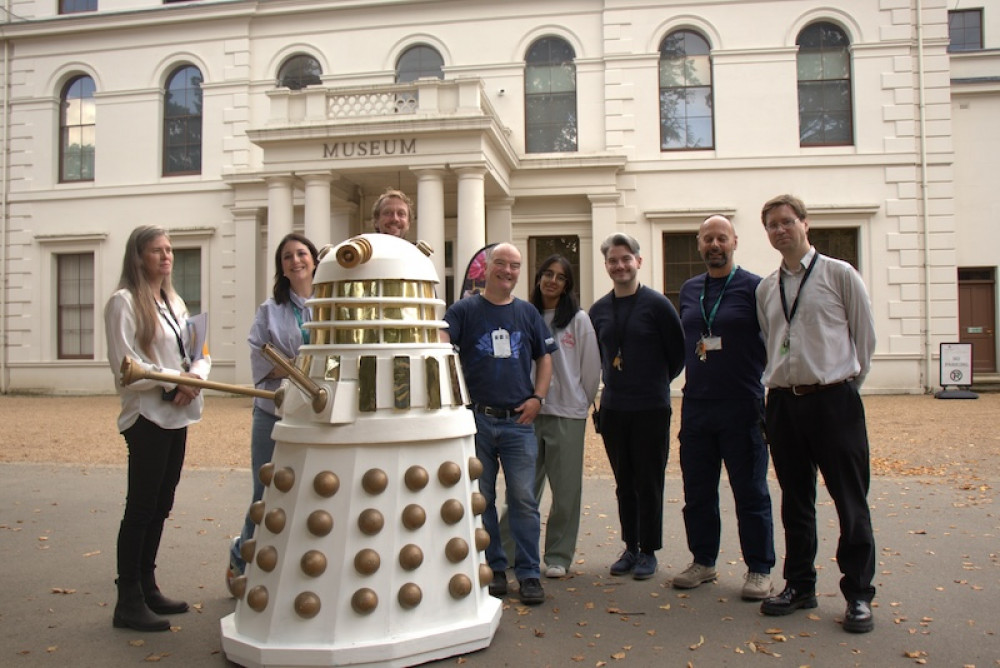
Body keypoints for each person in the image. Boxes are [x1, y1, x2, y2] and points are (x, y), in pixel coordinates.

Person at [755, 194, 877, 634]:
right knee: (796, 501)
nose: (780, 230)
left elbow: (864, 340)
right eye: (772, 225)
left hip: (833, 401)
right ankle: (799, 585)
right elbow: (772, 340)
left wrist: (841, 389)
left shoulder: (839, 275)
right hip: (785, 403)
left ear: (806, 224)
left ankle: (859, 595)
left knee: (850, 500)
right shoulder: (767, 288)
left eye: (787, 221)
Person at [104, 225, 212, 631]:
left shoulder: (174, 300)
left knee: (162, 504)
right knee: (142, 507)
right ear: (139, 256)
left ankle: (148, 586)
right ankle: (127, 598)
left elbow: (197, 350)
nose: (166, 257)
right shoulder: (124, 303)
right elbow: (126, 365)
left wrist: (195, 377)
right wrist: (174, 381)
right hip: (146, 418)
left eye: (169, 250)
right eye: (156, 251)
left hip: (178, 414)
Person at [441, 242, 556, 605]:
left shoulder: (527, 313)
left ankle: (529, 573)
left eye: (515, 266)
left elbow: (545, 357)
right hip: (478, 419)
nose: (508, 271)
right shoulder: (465, 310)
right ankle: (495, 568)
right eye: (501, 264)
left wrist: (538, 398)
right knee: (483, 498)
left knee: (523, 499)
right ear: (486, 269)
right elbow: (442, 343)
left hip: (518, 422)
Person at [674, 215, 775, 600]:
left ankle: (760, 569)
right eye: (707, 239)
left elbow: (773, 337)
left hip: (742, 403)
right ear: (699, 244)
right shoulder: (689, 289)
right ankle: (703, 561)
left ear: (734, 242)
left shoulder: (756, 287)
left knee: (750, 490)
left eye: (722, 238)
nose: (714, 245)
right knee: (698, 490)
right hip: (698, 404)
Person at [589, 233, 685, 580]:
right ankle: (630, 546)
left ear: (638, 262)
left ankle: (649, 550)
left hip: (650, 407)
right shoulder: (598, 310)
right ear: (607, 266)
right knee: (624, 482)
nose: (620, 266)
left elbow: (677, 355)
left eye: (626, 259)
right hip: (614, 409)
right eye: (613, 260)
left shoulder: (657, 306)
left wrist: (653, 382)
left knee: (649, 480)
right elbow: (595, 356)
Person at [227, 233, 319, 591]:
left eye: (301, 254)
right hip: (274, 410)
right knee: (264, 491)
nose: (295, 261)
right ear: (281, 268)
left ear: (313, 260)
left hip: (315, 413)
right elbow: (260, 358)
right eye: (287, 257)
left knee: (308, 491)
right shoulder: (270, 310)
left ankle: (289, 570)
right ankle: (240, 557)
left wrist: (292, 363)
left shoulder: (330, 303)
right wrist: (304, 366)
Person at [528, 255, 601, 578]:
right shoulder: (525, 315)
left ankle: (558, 554)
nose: (552, 281)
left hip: (566, 413)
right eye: (547, 274)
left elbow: (590, 367)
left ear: (567, 285)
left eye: (560, 277)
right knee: (523, 489)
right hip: (529, 412)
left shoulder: (578, 320)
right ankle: (512, 549)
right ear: (539, 278)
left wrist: (580, 403)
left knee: (566, 492)